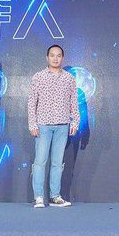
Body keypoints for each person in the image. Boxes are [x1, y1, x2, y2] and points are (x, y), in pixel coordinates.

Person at [27, 45, 80, 208]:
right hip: (43, 125)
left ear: (62, 58)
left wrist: (75, 122)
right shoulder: (38, 77)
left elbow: (73, 101)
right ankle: (38, 197)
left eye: (58, 55)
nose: (55, 58)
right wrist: (32, 124)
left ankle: (55, 196)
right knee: (40, 162)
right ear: (47, 57)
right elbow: (32, 101)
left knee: (57, 163)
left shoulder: (69, 78)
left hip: (63, 125)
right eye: (52, 55)